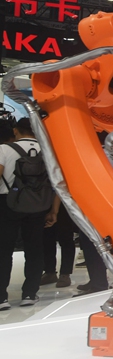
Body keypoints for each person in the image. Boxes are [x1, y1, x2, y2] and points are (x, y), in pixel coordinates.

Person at [0, 118, 52, 309]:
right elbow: (57, 183)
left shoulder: (4, 150)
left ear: (16, 131)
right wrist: (53, 210)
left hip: (7, 204)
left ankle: (1, 298)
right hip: (38, 205)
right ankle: (30, 294)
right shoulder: (48, 151)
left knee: (3, 251)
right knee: (35, 249)